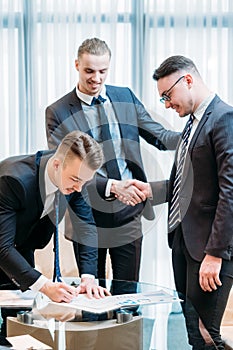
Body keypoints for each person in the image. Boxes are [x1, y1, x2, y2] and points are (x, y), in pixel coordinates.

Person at [117, 55, 233, 349]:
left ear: (189, 80)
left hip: (209, 251)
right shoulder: (192, 124)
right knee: (194, 334)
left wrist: (215, 254)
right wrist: (150, 190)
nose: (167, 105)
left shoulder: (224, 119)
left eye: (168, 96)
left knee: (208, 337)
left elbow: (230, 193)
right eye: (163, 99)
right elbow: (191, 185)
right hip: (183, 244)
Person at [45, 37, 180, 283]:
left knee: (127, 297)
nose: (96, 78)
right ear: (76, 65)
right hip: (87, 216)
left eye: (102, 71)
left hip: (128, 212)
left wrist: (198, 135)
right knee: (92, 296)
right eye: (89, 71)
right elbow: (66, 169)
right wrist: (112, 187)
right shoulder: (58, 112)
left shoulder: (124, 96)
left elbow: (159, 135)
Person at [0, 130, 110, 342]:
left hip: (21, 251)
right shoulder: (13, 180)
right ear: (57, 164)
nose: (79, 188)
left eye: (84, 183)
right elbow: (2, 248)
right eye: (75, 180)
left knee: (17, 332)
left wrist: (88, 277)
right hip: (4, 247)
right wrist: (46, 286)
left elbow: (86, 227)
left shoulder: (77, 179)